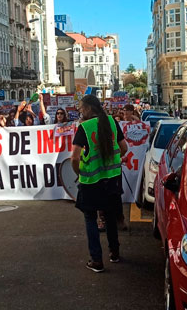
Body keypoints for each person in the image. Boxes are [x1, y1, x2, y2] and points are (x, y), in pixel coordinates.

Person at [71, 95, 128, 273]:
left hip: (90, 182)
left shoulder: (84, 128)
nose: (80, 110)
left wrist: (79, 172)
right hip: (112, 178)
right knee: (110, 216)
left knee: (90, 218)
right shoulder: (111, 122)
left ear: (89, 108)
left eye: (81, 107)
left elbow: (74, 157)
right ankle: (114, 253)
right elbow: (124, 148)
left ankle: (97, 260)